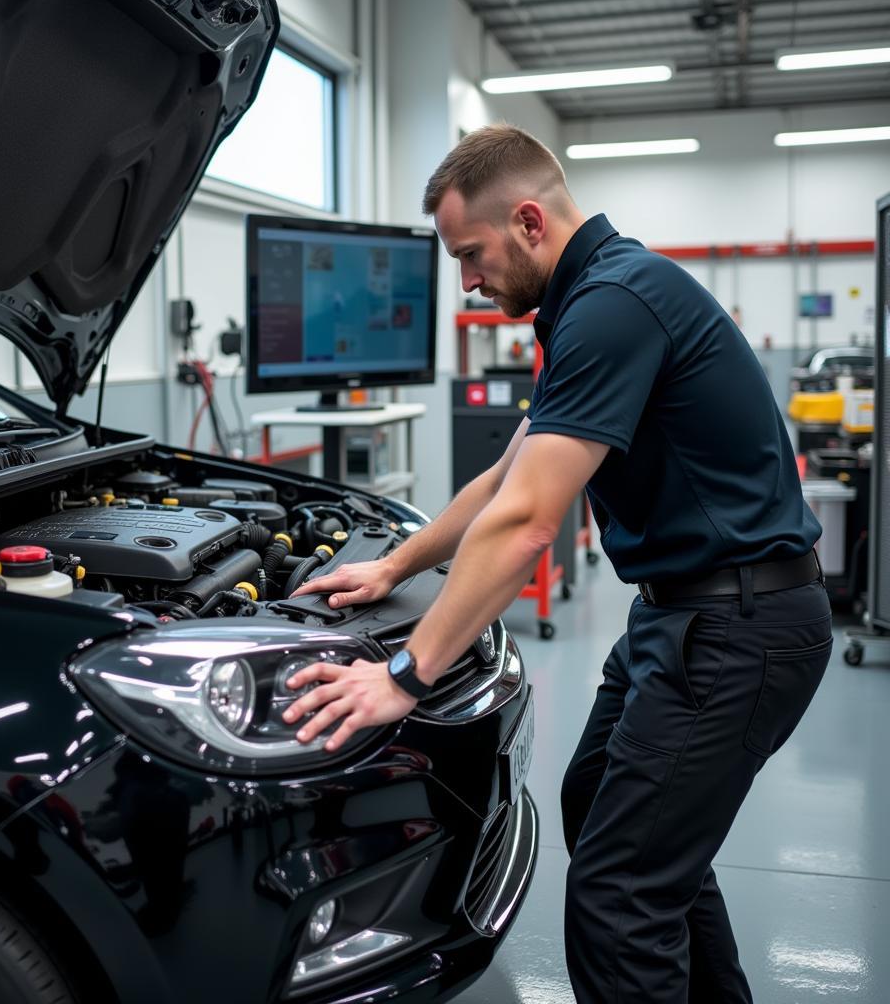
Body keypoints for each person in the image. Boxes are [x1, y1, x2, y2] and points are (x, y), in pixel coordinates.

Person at [281, 123, 831, 1003]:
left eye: (471, 253)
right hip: (687, 615)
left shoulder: (615, 304)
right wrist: (394, 566)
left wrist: (405, 673)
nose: (465, 280)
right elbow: (506, 477)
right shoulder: (596, 299)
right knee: (600, 807)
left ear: (529, 220)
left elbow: (531, 522)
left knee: (620, 895)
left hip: (736, 628)